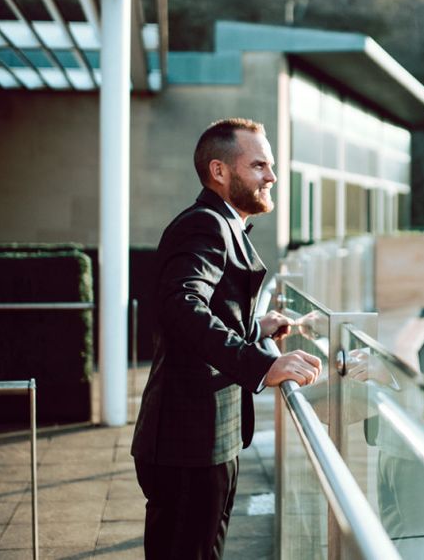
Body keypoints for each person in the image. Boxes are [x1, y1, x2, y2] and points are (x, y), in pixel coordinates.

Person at [131, 117, 321, 559]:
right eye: (259, 166)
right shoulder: (205, 225)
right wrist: (263, 364)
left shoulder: (221, 223)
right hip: (188, 445)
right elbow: (182, 305)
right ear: (219, 171)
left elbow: (210, 308)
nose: (271, 177)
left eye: (269, 166)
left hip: (206, 439)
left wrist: (257, 327)